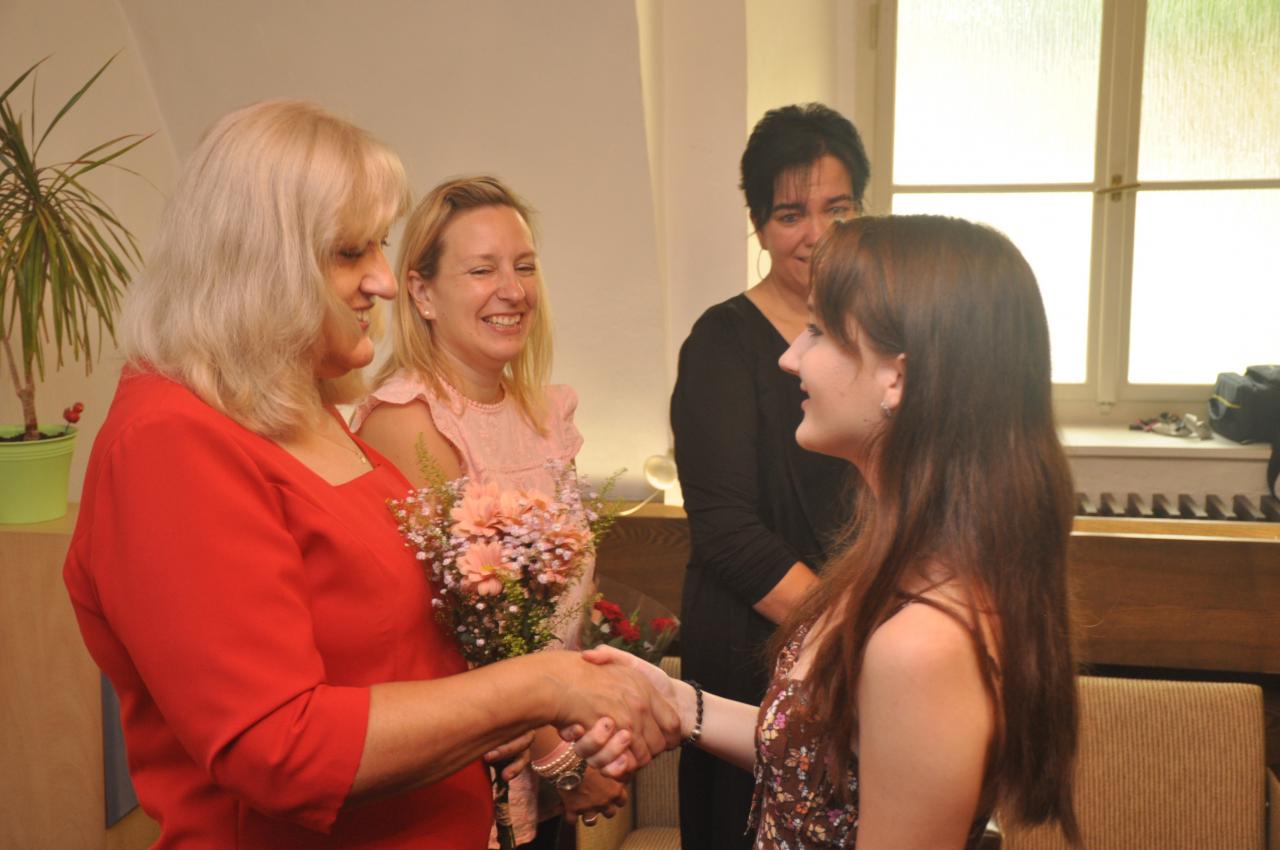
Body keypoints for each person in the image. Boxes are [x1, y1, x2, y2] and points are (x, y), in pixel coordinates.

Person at [61, 100, 677, 850]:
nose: (383, 282)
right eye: (351, 252)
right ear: (256, 259)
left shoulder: (303, 406)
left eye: (378, 247)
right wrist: (542, 687)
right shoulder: (168, 442)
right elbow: (280, 749)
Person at [580, 215, 1081, 849]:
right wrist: (682, 705)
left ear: (897, 378)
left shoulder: (922, 643)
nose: (790, 357)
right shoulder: (891, 561)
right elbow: (822, 766)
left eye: (817, 331)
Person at [352, 176, 619, 847]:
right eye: (481, 270)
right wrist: (562, 764)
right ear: (421, 293)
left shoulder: (543, 413)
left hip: (551, 741)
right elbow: (464, 638)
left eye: (524, 266)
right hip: (479, 770)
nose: (513, 290)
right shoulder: (408, 421)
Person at [669, 102, 870, 849]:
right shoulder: (721, 344)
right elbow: (728, 534)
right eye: (790, 215)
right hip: (753, 651)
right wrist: (851, 636)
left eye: (837, 208)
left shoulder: (885, 335)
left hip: (864, 645)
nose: (817, 233)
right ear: (759, 226)